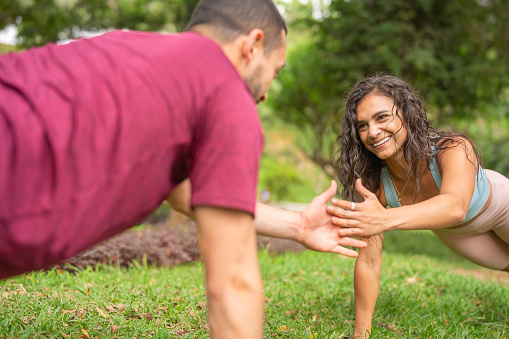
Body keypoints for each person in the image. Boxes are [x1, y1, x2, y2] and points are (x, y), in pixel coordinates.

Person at [0, 0, 365, 338]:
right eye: (275, 70)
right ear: (252, 45)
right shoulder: (225, 94)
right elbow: (232, 283)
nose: (266, 92)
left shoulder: (131, 48)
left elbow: (185, 194)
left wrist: (298, 225)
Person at [326, 75, 509, 339]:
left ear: (406, 114)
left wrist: (386, 219)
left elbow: (455, 206)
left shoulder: (453, 148)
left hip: (499, 205)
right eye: (362, 125)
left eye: (381, 118)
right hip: (456, 232)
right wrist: (360, 334)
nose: (373, 132)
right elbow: (368, 261)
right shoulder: (375, 184)